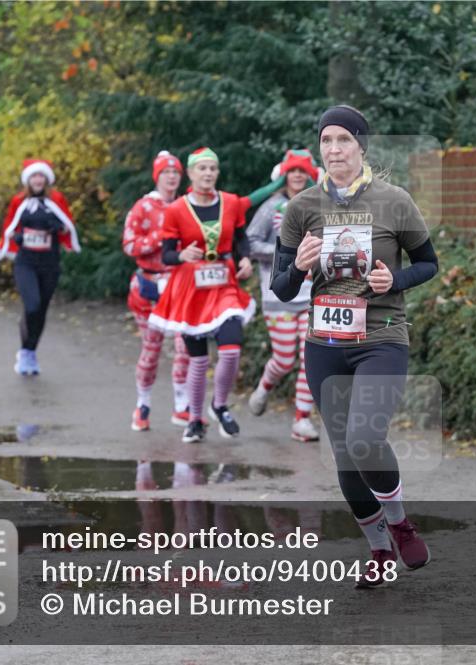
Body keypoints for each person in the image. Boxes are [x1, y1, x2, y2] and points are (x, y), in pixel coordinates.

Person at [270, 105, 439, 587]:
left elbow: (428, 263)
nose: (334, 149)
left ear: (362, 146)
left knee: (366, 439)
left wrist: (395, 278)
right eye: (326, 141)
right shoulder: (302, 207)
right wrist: (299, 268)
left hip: (381, 337)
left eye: (344, 139)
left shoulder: (394, 200)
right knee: (345, 454)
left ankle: (401, 522)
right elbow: (281, 289)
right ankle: (380, 551)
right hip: (324, 342)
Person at [148, 147, 284, 444]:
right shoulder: (176, 210)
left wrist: (245, 259)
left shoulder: (231, 203)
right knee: (198, 360)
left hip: (223, 285)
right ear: (191, 173)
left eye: (213, 168)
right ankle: (195, 419)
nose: (208, 173)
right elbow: (167, 254)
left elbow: (240, 240)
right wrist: (181, 253)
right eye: (202, 168)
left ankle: (219, 405)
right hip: (191, 289)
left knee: (231, 348)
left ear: (217, 173)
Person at [246, 149, 322, 442]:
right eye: (293, 171)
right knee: (284, 358)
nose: (298, 176)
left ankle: (302, 419)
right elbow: (251, 242)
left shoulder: (318, 206)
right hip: (278, 295)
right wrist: (283, 256)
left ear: (311, 175)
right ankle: (265, 386)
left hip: (311, 295)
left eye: (303, 171)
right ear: (284, 176)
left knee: (308, 357)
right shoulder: (271, 207)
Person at [123, 151, 191, 431]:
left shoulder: (188, 206)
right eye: (166, 172)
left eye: (175, 172)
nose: (172, 177)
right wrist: (158, 239)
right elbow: (129, 245)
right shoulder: (143, 207)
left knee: (184, 348)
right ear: (157, 176)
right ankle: (143, 405)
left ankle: (181, 406)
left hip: (179, 286)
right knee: (151, 351)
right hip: (149, 286)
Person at [0, 159, 80, 375]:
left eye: (41, 176)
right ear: (28, 180)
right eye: (34, 176)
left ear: (47, 179)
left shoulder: (57, 199)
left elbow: (68, 225)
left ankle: (30, 352)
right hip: (26, 262)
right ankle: (25, 351)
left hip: (50, 262)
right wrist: (18, 238)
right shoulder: (19, 200)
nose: (38, 179)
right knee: (32, 305)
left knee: (41, 309)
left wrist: (58, 228)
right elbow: (9, 226)